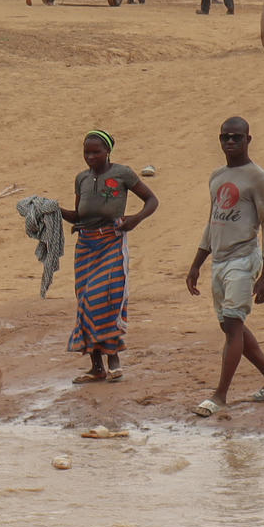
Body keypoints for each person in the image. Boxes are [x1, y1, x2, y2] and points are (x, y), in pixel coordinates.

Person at [185, 118, 264, 417]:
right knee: (231, 326)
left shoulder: (258, 178)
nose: (230, 142)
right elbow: (212, 221)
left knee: (232, 325)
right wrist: (196, 265)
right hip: (219, 261)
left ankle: (220, 395)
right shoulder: (216, 177)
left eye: (236, 137)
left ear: (248, 140)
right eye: (225, 137)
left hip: (244, 260)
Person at [56, 130, 158, 385]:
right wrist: (54, 210)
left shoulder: (122, 173)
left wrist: (135, 219)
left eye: (96, 152)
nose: (90, 157)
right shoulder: (81, 178)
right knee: (86, 301)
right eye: (86, 152)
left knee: (107, 298)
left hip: (112, 240)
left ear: (108, 151)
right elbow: (79, 216)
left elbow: (151, 200)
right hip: (86, 246)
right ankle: (96, 367)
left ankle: (114, 360)